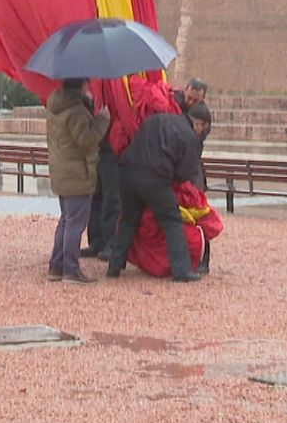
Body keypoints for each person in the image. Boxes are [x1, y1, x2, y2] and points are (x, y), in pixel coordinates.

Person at [108, 102, 212, 283]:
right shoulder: (190, 138)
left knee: (128, 220)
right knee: (172, 220)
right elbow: (184, 173)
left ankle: (114, 266)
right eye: (204, 127)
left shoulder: (157, 119)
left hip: (127, 173)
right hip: (154, 180)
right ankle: (182, 271)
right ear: (199, 124)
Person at [45, 78, 111, 284]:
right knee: (75, 223)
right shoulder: (76, 112)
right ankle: (71, 270)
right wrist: (102, 120)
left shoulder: (56, 105)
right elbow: (86, 140)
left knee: (66, 220)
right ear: (82, 86)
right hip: (77, 173)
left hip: (62, 172)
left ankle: (56, 266)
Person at [83, 133, 121, 262]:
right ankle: (97, 241)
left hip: (110, 147)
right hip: (99, 146)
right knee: (96, 195)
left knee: (111, 197)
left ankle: (110, 242)